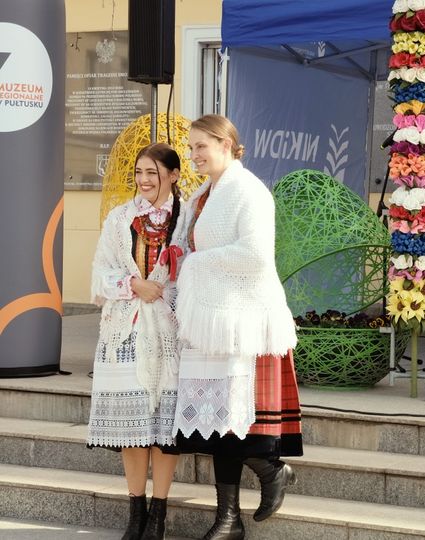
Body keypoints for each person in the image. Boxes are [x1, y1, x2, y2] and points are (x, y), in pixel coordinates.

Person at [168, 115, 303, 540]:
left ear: (226, 144)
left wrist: (196, 263)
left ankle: (263, 478)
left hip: (243, 319)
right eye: (191, 147)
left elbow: (256, 254)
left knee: (232, 423)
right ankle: (232, 515)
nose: (193, 155)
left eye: (201, 146)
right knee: (215, 423)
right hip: (211, 321)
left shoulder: (249, 191)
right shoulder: (202, 195)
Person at [87, 142, 184, 540]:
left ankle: (158, 514)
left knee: (165, 428)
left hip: (171, 333)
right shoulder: (120, 218)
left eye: (152, 173)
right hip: (124, 332)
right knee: (132, 427)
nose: (144, 180)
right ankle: (136, 512)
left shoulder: (187, 220)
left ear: (173, 175)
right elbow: (99, 273)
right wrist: (133, 284)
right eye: (139, 172)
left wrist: (166, 293)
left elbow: (196, 273)